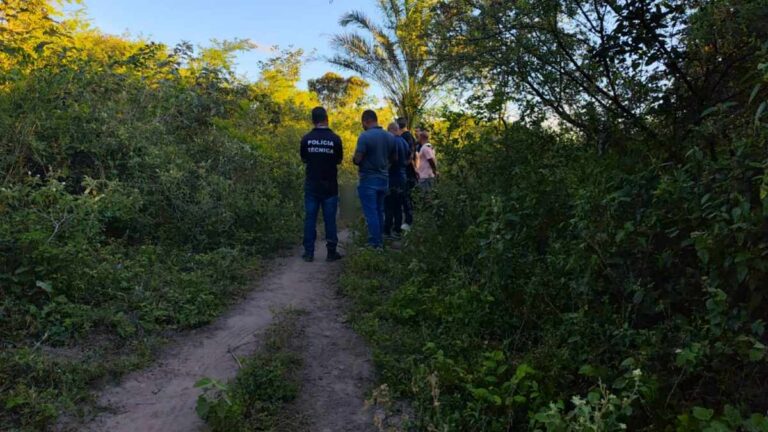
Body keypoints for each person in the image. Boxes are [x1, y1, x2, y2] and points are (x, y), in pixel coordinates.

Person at [300, 107, 344, 262]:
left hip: (312, 186)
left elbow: (304, 159)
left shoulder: (306, 139)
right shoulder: (335, 139)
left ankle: (308, 253)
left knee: (310, 218)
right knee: (330, 219)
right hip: (330, 187)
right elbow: (339, 160)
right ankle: (331, 253)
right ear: (327, 118)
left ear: (313, 120)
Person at [353, 109, 397, 249]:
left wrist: (354, 160)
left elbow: (358, 159)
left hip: (368, 179)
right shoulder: (390, 137)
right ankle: (379, 242)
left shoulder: (365, 136)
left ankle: (374, 243)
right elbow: (394, 158)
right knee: (379, 210)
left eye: (363, 123)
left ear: (366, 121)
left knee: (371, 212)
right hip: (384, 179)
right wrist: (384, 166)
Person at [383, 122, 410, 239]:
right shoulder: (404, 142)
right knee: (398, 206)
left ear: (391, 130)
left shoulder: (392, 141)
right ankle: (397, 230)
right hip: (403, 177)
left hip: (392, 177)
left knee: (389, 206)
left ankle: (387, 231)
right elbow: (409, 157)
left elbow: (393, 159)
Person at [397, 117, 416, 230]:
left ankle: (408, 222)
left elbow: (411, 155)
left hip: (406, 173)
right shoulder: (410, 137)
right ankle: (408, 222)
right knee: (406, 197)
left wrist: (403, 165)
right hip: (408, 172)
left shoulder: (405, 137)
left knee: (406, 198)